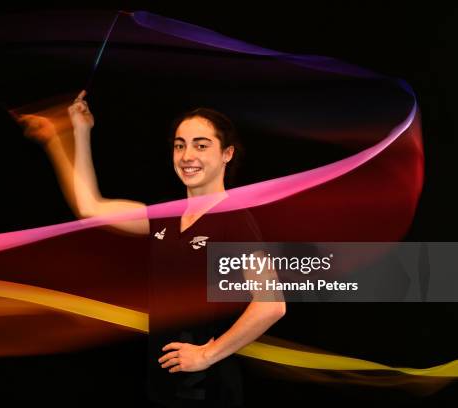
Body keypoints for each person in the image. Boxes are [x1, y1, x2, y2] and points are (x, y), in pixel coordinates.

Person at [17, 90, 286, 407]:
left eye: (201, 145)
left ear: (227, 154)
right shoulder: (165, 217)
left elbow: (271, 304)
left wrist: (206, 354)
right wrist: (78, 131)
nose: (187, 156)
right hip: (163, 383)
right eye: (180, 145)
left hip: (205, 390)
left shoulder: (234, 220)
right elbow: (90, 206)